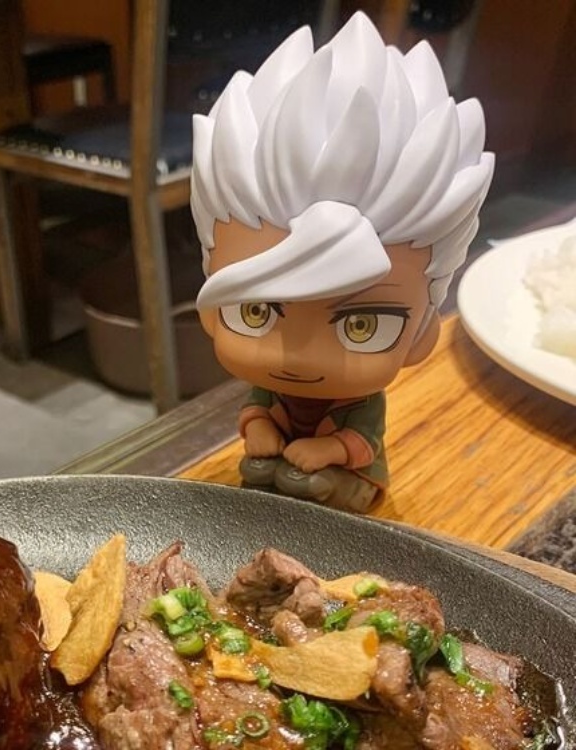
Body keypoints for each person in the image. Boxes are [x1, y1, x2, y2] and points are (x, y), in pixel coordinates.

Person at [191, 11, 495, 512]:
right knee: (261, 473)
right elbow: (256, 411)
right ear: (208, 310)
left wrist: (327, 451)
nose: (300, 355)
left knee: (318, 488)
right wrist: (260, 428)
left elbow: (363, 442)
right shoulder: (270, 389)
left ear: (422, 332)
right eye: (256, 311)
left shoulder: (360, 401)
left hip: (346, 478)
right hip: (278, 475)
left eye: (362, 325)